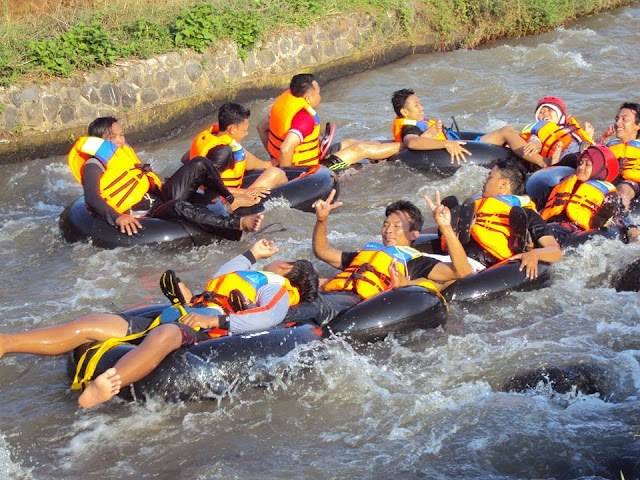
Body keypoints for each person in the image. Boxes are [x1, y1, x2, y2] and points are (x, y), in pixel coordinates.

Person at [0, 239, 318, 408]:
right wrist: (251, 253)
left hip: (203, 329)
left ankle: (108, 385)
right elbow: (222, 277)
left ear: (287, 267)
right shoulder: (257, 276)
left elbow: (269, 316)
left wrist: (217, 318)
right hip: (186, 311)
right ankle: (8, 343)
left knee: (166, 334)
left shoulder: (277, 288)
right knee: (93, 323)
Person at [285, 190, 474, 326]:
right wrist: (321, 220)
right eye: (385, 225)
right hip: (332, 294)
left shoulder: (415, 261)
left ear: (415, 234)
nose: (388, 230)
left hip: (354, 302)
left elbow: (462, 271)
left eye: (397, 226)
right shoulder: (367, 253)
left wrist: (445, 227)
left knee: (312, 305)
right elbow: (322, 251)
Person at [69, 117, 263, 238]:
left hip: (159, 197)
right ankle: (236, 224)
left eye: (122, 135)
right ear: (100, 142)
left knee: (200, 163)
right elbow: (92, 198)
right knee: (178, 206)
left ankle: (228, 198)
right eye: (114, 138)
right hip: (148, 214)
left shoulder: (122, 155)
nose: (121, 140)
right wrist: (117, 218)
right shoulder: (94, 164)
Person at [429, 158, 563, 278]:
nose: (484, 181)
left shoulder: (526, 213)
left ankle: (525, 243)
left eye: (489, 177)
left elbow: (555, 250)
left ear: (504, 183)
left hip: (479, 265)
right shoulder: (473, 206)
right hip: (453, 255)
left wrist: (535, 254)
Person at [256, 73, 402, 171]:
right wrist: (286, 175)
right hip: (311, 169)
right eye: (318, 94)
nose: (320, 97)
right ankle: (404, 145)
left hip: (313, 156)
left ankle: (394, 144)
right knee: (360, 149)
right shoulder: (305, 118)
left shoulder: (283, 104)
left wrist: (273, 157)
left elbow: (261, 128)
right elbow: (286, 149)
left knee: (351, 142)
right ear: (307, 97)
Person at [182, 102, 287, 199]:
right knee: (276, 174)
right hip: (223, 199)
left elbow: (185, 159)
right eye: (245, 130)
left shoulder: (208, 137)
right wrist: (245, 192)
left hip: (200, 191)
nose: (246, 134)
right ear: (232, 129)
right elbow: (211, 188)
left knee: (263, 164)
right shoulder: (224, 152)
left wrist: (269, 163)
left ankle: (270, 164)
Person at [480, 96, 595, 169]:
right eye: (542, 112)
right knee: (575, 159)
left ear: (560, 114)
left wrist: (596, 138)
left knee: (593, 153)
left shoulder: (571, 127)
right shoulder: (541, 129)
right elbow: (535, 139)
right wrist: (536, 144)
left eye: (550, 110)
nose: (545, 114)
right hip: (563, 160)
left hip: (583, 154)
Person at [539, 145, 623, 246]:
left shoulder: (608, 194)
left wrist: (630, 229)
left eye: (587, 165)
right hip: (551, 225)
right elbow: (538, 205)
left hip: (574, 233)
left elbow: (618, 219)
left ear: (599, 169)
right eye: (580, 163)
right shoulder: (564, 183)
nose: (581, 167)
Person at [391, 88, 471, 164]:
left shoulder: (418, 122)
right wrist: (447, 144)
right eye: (416, 106)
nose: (422, 108)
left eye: (420, 104)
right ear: (405, 112)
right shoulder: (409, 128)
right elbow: (412, 142)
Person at [598, 102, 640, 212]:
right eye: (617, 118)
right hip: (611, 181)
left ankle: (624, 223)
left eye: (624, 119)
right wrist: (602, 140)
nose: (617, 123)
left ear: (638, 125)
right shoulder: (609, 145)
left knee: (623, 189)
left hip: (632, 184)